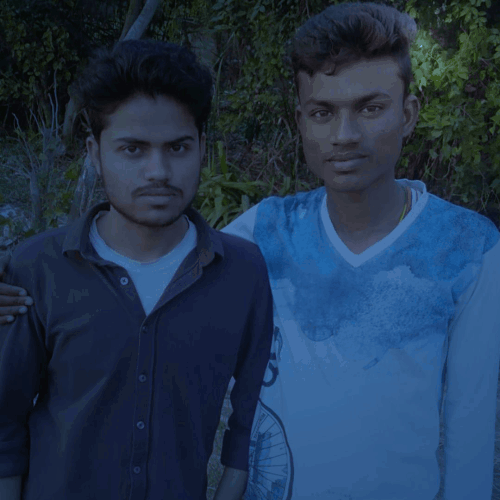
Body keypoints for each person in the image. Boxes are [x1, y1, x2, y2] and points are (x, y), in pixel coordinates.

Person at [1, 2, 500, 499]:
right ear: (301, 121)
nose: (345, 136)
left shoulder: (468, 249)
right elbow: (157, 255)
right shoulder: (265, 230)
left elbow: (471, 429)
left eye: (371, 108)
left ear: (408, 115)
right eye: (323, 112)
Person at [0, 39, 275, 500]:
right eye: (132, 149)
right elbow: (5, 427)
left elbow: (250, 414)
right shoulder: (36, 269)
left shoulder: (242, 273)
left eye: (178, 147)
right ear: (94, 153)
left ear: (202, 148)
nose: (158, 171)